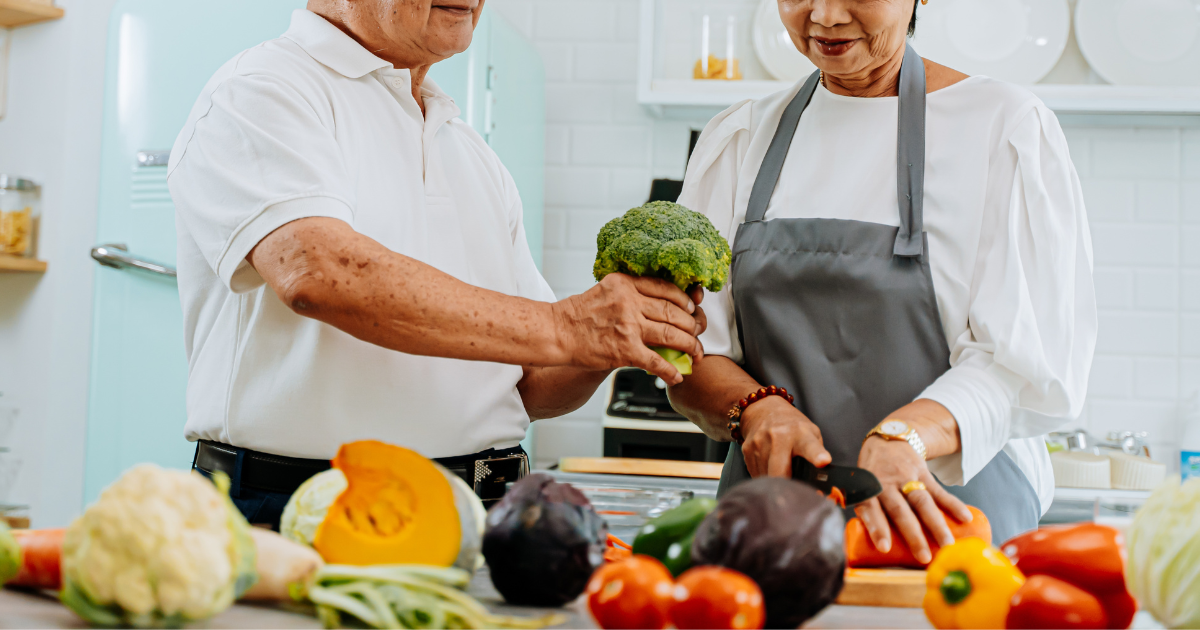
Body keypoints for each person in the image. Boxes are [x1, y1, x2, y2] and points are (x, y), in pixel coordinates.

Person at [167, 0, 706, 526]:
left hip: (490, 509)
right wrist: (567, 326)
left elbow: (533, 382)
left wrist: (609, 342)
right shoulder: (263, 89)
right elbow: (316, 270)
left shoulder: (469, 149)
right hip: (307, 508)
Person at [668, 0, 1096, 560]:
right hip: (771, 535)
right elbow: (686, 351)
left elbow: (1025, 365)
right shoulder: (742, 135)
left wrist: (907, 437)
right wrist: (755, 407)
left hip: (950, 531)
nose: (823, 15)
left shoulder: (1002, 127)